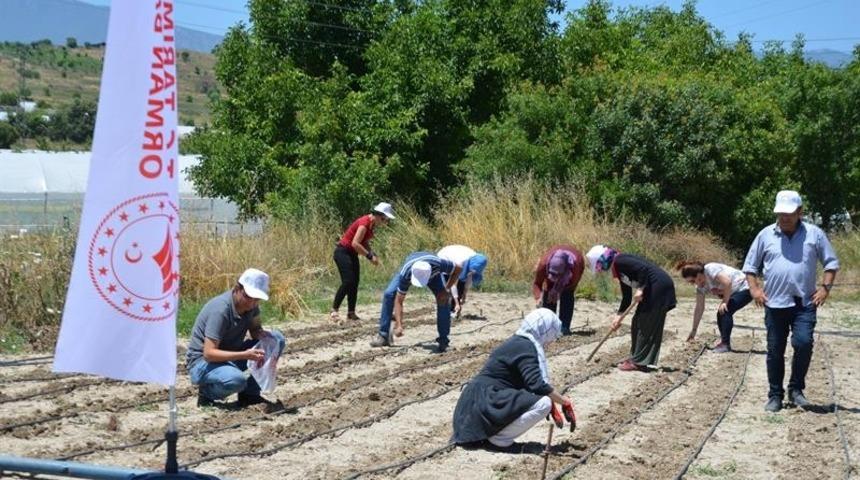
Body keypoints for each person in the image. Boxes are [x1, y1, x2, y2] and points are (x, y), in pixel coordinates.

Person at [742, 190, 839, 412]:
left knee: (803, 343)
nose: (784, 218)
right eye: (781, 213)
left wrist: (825, 288)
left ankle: (796, 389)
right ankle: (775, 394)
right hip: (775, 303)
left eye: (789, 213)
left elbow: (831, 263)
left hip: (804, 303)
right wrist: (755, 289)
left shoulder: (814, 234)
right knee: (775, 350)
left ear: (800, 212)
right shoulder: (765, 235)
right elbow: (750, 266)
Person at [451, 308, 576, 450]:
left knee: (543, 401)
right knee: (544, 404)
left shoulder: (519, 341)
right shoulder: (527, 346)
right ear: (544, 330)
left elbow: (530, 385)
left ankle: (494, 436)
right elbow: (537, 385)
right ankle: (499, 440)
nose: (550, 342)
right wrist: (563, 402)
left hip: (474, 403)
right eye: (551, 336)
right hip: (485, 400)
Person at [186, 268, 286, 407]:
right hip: (202, 363)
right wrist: (244, 355)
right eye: (248, 297)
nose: (251, 303)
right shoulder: (220, 310)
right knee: (237, 380)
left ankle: (250, 395)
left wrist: (262, 335)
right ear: (237, 288)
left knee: (277, 339)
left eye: (256, 299)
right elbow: (209, 354)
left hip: (230, 356)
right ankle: (206, 394)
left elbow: (255, 329)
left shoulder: (252, 306)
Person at [586, 245, 676, 372]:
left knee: (645, 323)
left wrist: (640, 289)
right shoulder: (619, 270)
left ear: (603, 261)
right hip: (653, 289)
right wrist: (618, 317)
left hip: (659, 287)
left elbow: (644, 269)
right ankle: (636, 358)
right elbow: (626, 297)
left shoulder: (620, 260)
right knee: (637, 322)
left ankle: (639, 362)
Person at [371, 252, 462, 353]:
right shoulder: (406, 273)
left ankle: (444, 342)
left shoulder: (438, 263)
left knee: (443, 300)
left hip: (434, 276)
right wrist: (399, 324)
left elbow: (458, 269)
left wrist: (446, 289)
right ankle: (383, 336)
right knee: (389, 294)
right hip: (410, 266)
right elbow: (399, 300)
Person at [331, 202, 395, 321]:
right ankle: (334, 310)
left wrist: (373, 253)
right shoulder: (364, 223)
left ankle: (351, 313)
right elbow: (355, 243)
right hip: (342, 252)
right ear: (377, 215)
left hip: (351, 253)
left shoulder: (371, 225)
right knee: (348, 281)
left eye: (386, 220)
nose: (385, 222)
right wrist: (370, 256)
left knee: (354, 282)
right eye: (384, 219)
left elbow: (363, 242)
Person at [677, 261, 752, 353]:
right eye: (691, 283)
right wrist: (694, 330)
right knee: (721, 313)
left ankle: (725, 344)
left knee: (725, 311)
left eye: (693, 280)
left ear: (699, 274)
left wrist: (725, 301)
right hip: (735, 292)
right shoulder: (700, 287)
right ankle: (724, 342)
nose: (694, 283)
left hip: (745, 287)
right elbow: (699, 308)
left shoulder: (710, 269)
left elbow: (727, 282)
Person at [532, 245, 585, 336]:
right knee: (548, 294)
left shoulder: (575, 266)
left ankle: (564, 327)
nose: (554, 278)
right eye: (552, 274)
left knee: (567, 295)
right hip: (556, 272)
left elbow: (571, 286)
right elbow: (537, 283)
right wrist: (538, 298)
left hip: (571, 273)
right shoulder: (543, 264)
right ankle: (549, 327)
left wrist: (558, 291)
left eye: (556, 275)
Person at [436, 244, 488, 317]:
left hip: (460, 259)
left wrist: (464, 294)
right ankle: (448, 311)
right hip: (445, 258)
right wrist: (457, 303)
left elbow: (469, 278)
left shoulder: (478, 260)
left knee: (461, 287)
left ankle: (455, 310)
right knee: (448, 288)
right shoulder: (460, 262)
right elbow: (453, 284)